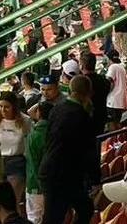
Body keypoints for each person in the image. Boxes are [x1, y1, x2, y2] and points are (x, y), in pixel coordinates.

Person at [40, 75, 100, 224]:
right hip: (63, 175)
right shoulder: (82, 116)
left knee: (59, 214)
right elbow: (89, 151)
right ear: (88, 93)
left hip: (52, 170)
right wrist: (95, 179)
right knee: (68, 213)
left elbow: (48, 140)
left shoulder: (57, 109)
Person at [0, 91, 31, 209]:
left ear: (14, 107)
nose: (3, 110)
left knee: (13, 200)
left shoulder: (25, 121)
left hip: (16, 162)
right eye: (0, 106)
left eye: (7, 107)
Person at [25, 102, 52, 224]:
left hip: (36, 184)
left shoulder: (34, 135)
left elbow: (34, 163)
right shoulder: (56, 131)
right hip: (54, 183)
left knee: (34, 218)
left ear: (39, 113)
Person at [107, 52, 127, 126]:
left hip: (113, 101)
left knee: (112, 125)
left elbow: (109, 81)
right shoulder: (122, 67)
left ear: (109, 59)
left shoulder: (113, 67)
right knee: (119, 124)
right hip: (121, 101)